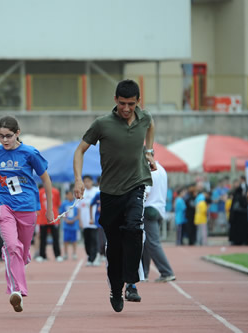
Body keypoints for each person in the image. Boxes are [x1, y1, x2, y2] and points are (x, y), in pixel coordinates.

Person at [73, 79, 156, 313]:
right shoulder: (102, 124)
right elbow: (79, 151)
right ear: (115, 100)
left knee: (134, 228)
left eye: (131, 103)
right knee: (115, 247)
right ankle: (116, 287)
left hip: (136, 184)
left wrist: (149, 152)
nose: (127, 108)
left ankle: (131, 283)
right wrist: (79, 180)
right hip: (109, 192)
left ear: (138, 101)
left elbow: (151, 126)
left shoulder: (145, 117)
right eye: (122, 103)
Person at [0, 116, 54, 313]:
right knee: (11, 246)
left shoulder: (29, 153)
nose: (4, 140)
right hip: (3, 203)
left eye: (8, 136)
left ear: (17, 133)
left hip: (27, 206)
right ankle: (17, 291)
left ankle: (19, 259)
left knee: (22, 251)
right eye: (1, 136)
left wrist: (50, 208)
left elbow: (46, 179)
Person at [142, 161, 175, 283]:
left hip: (148, 208)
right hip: (159, 208)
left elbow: (146, 192)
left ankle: (166, 272)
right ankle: (143, 273)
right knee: (146, 243)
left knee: (152, 242)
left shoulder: (147, 169)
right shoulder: (161, 169)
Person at [36, 184, 62, 262]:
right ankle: (42, 255)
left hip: (54, 219)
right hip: (43, 219)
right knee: (43, 238)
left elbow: (57, 204)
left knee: (55, 238)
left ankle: (57, 255)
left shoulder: (55, 191)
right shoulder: (40, 192)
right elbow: (37, 203)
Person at [78, 175, 99, 266]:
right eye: (85, 181)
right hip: (85, 220)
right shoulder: (82, 192)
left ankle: (93, 258)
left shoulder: (96, 191)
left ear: (91, 181)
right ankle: (89, 256)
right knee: (87, 240)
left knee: (94, 239)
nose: (86, 183)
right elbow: (79, 208)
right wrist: (80, 221)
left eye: (88, 181)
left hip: (94, 220)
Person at [60, 188, 81, 260]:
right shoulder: (64, 203)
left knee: (74, 240)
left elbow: (78, 214)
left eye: (70, 194)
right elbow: (61, 213)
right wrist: (66, 220)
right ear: (66, 195)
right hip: (66, 225)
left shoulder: (76, 203)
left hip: (74, 225)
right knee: (65, 240)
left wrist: (73, 220)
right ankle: (65, 253)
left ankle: (74, 253)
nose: (69, 196)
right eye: (68, 194)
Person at [229, 176, 248, 246]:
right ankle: (240, 240)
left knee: (240, 228)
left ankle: (239, 240)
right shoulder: (237, 194)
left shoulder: (239, 193)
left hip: (239, 214)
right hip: (239, 214)